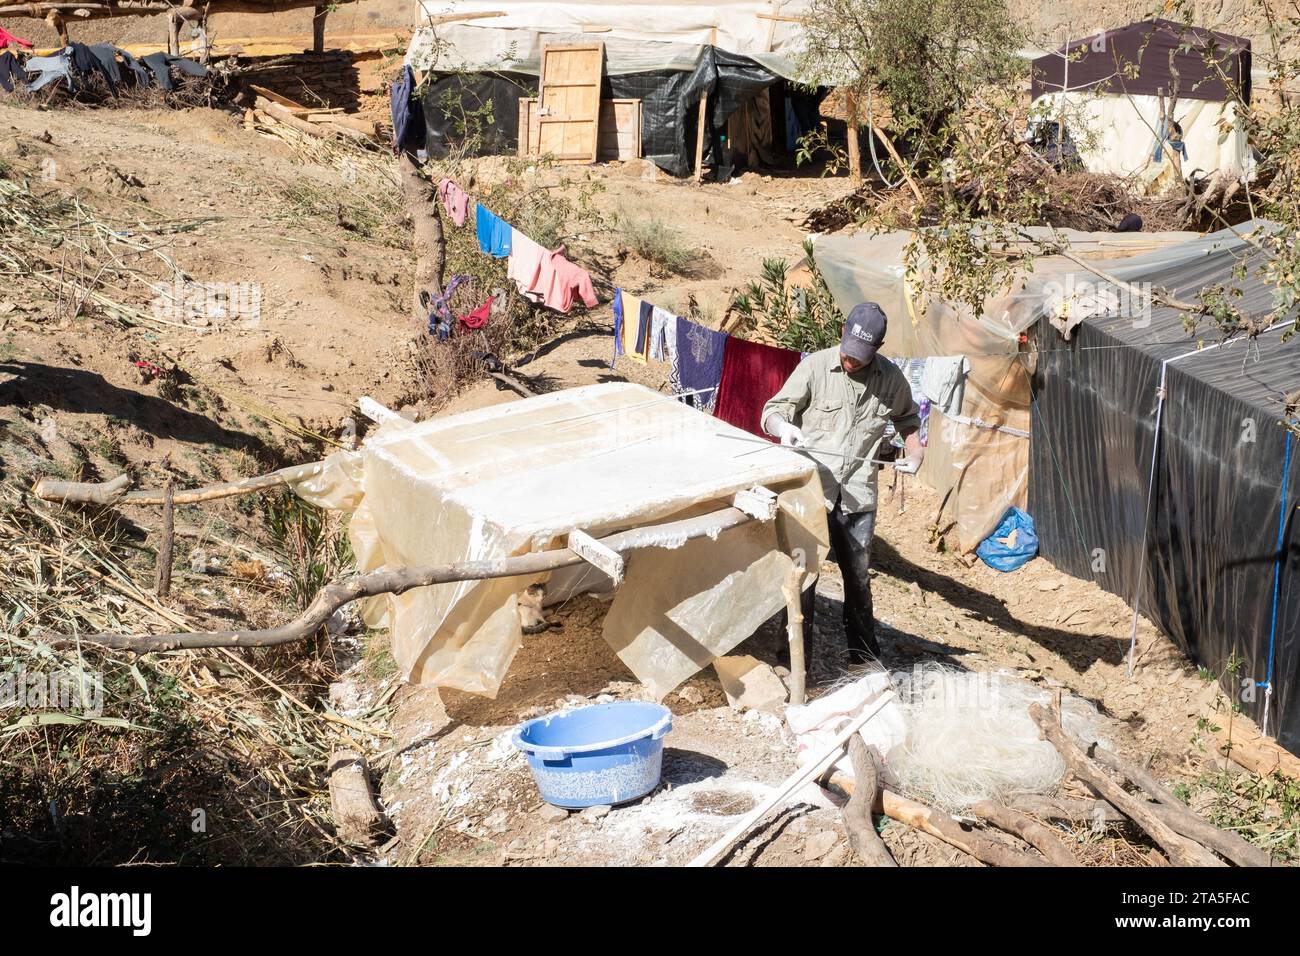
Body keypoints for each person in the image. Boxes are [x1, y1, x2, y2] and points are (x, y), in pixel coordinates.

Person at [762, 302, 923, 663]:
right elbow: (772, 412)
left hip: (857, 496)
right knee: (803, 575)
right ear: (842, 333)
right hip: (811, 493)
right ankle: (793, 660)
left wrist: (915, 454)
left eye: (860, 358)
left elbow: (908, 419)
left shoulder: (890, 380)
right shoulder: (815, 367)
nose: (851, 361)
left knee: (858, 579)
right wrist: (782, 428)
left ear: (877, 350)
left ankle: (863, 658)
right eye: (849, 353)